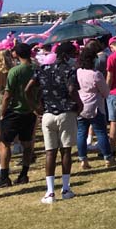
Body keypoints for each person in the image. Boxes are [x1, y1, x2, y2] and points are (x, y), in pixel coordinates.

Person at [28, 40, 81, 203]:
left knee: (50, 152)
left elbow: (28, 88)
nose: (74, 57)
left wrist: (35, 106)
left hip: (48, 114)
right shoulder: (69, 71)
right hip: (65, 112)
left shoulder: (42, 69)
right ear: (66, 56)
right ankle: (65, 188)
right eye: (73, 54)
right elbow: (72, 89)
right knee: (66, 151)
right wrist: (79, 104)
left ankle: (50, 192)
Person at [0, 42, 37, 189]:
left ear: (16, 54)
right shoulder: (37, 68)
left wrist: (2, 112)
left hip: (14, 111)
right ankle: (24, 174)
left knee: (4, 143)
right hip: (30, 111)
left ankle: (4, 177)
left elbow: (7, 94)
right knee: (27, 144)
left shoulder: (15, 71)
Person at [76, 44, 115, 169]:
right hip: (95, 106)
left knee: (81, 133)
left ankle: (83, 159)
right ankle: (108, 158)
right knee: (101, 132)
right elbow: (105, 92)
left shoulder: (78, 72)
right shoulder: (96, 74)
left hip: (81, 105)